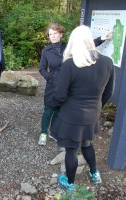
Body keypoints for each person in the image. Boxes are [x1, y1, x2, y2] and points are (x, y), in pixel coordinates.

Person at [50, 25, 114, 191]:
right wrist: (97, 107)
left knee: (71, 150)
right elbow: (108, 92)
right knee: (86, 144)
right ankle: (95, 174)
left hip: (72, 116)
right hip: (92, 114)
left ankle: (70, 184)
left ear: (74, 42)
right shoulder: (107, 62)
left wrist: (61, 106)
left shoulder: (70, 64)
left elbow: (59, 95)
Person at [38, 23, 112, 146]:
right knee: (48, 110)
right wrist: (50, 77)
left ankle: (53, 131)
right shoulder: (46, 51)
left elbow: (86, 45)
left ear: (60, 34)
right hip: (53, 85)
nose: (53, 36)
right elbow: (42, 69)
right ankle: (43, 133)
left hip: (68, 84)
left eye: (55, 33)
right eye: (50, 34)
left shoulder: (68, 46)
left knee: (59, 109)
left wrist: (101, 39)